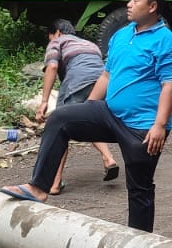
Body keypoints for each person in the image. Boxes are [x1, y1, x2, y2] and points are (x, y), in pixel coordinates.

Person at [4, 0, 172, 231]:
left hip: (143, 127)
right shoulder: (122, 35)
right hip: (109, 113)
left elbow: (169, 86)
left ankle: (140, 247)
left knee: (139, 189)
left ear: (152, 7)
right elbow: (106, 76)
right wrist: (88, 110)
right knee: (61, 118)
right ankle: (39, 187)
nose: (129, 4)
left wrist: (160, 125)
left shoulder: (167, 43)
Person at [29, 20, 117, 188]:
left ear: (57, 32)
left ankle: (54, 183)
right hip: (102, 82)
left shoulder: (57, 41)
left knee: (60, 128)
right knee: (90, 121)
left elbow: (52, 67)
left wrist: (44, 101)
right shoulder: (90, 44)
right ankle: (108, 158)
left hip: (77, 82)